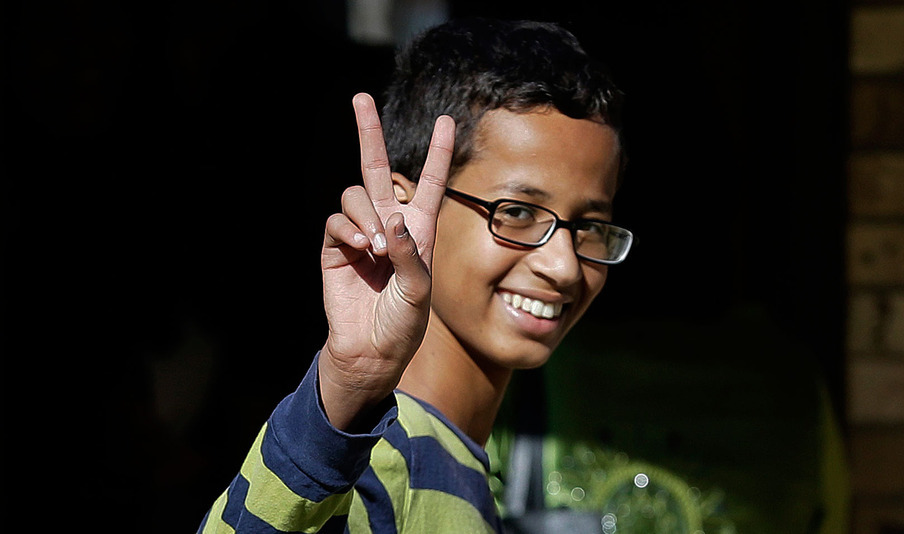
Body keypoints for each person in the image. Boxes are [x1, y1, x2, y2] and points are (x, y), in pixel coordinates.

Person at [197, 17, 634, 533]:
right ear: (406, 209)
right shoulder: (376, 465)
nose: (563, 265)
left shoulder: (456, 470)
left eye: (589, 226)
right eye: (516, 212)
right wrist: (346, 393)